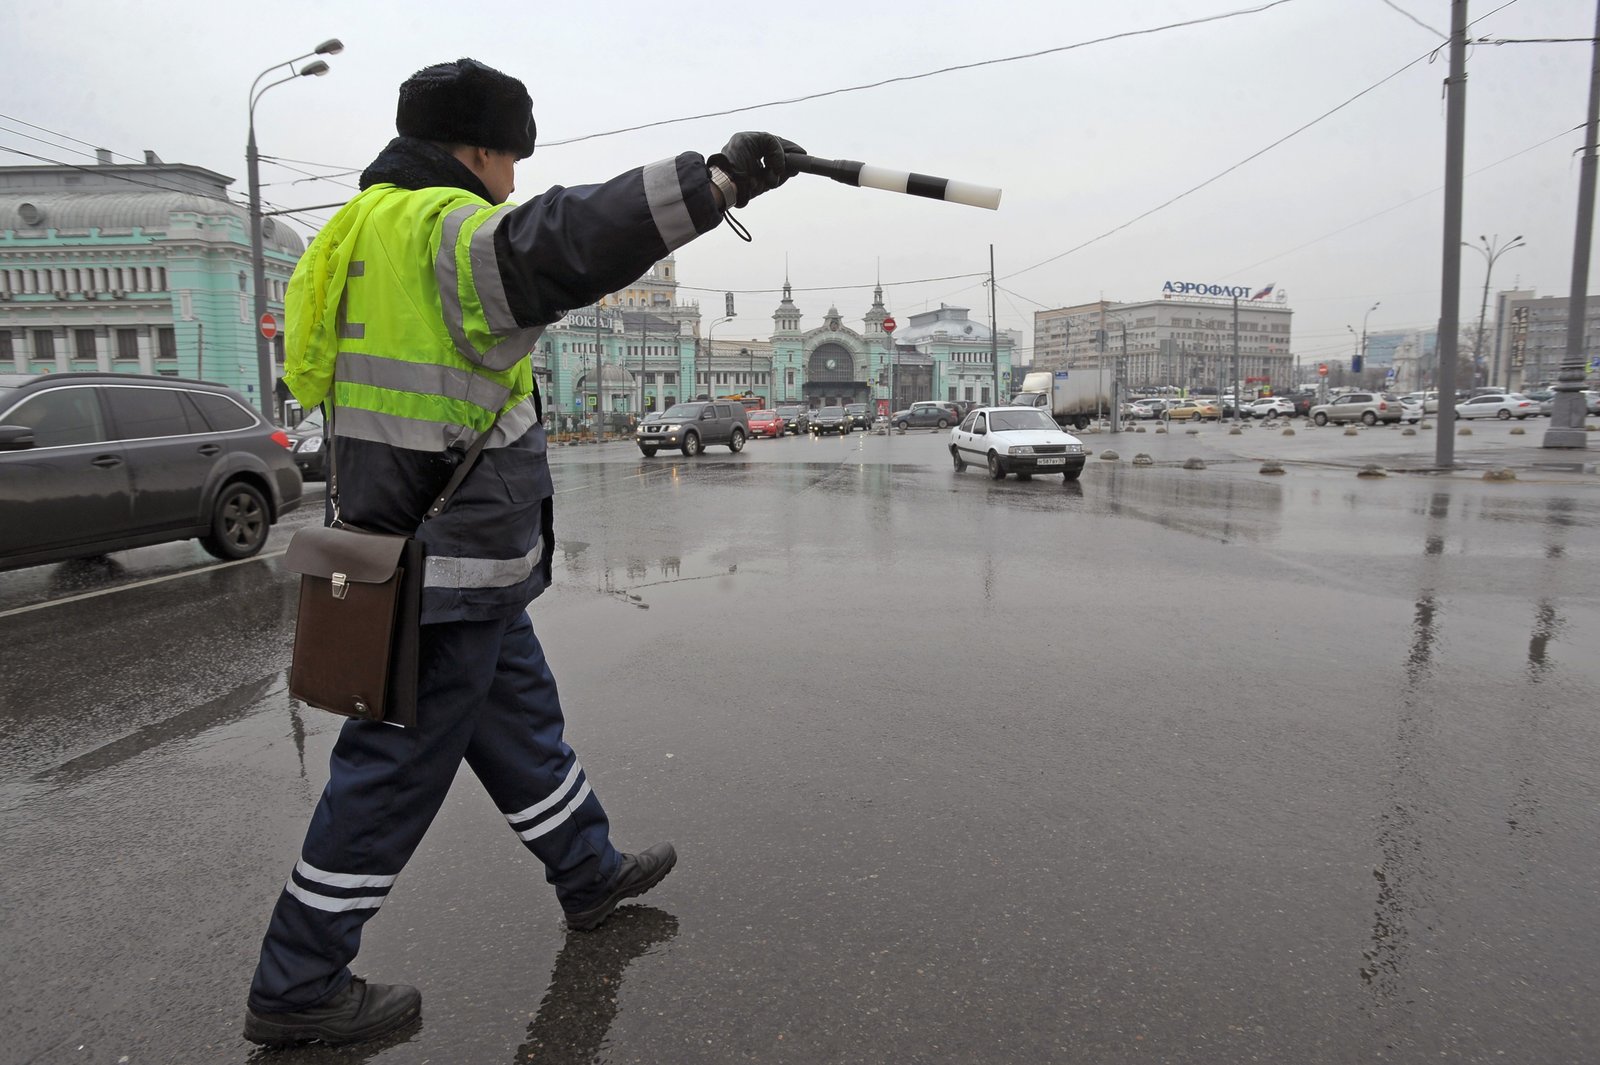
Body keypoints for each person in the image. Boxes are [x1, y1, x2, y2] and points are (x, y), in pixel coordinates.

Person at [243, 57, 802, 1048]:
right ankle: (298, 980)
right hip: (443, 560)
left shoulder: (349, 234)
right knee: (389, 776)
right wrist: (714, 182)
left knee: (523, 729)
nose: (512, 183)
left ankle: (587, 872)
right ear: (478, 150)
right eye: (510, 161)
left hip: (427, 549)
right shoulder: (443, 230)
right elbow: (567, 239)